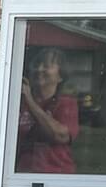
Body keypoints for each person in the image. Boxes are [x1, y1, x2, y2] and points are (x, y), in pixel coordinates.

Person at [16, 46, 79, 174]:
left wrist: (29, 101)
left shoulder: (66, 104)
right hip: (21, 176)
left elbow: (60, 136)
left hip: (55, 176)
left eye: (46, 66)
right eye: (37, 65)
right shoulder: (17, 102)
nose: (39, 70)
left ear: (61, 76)